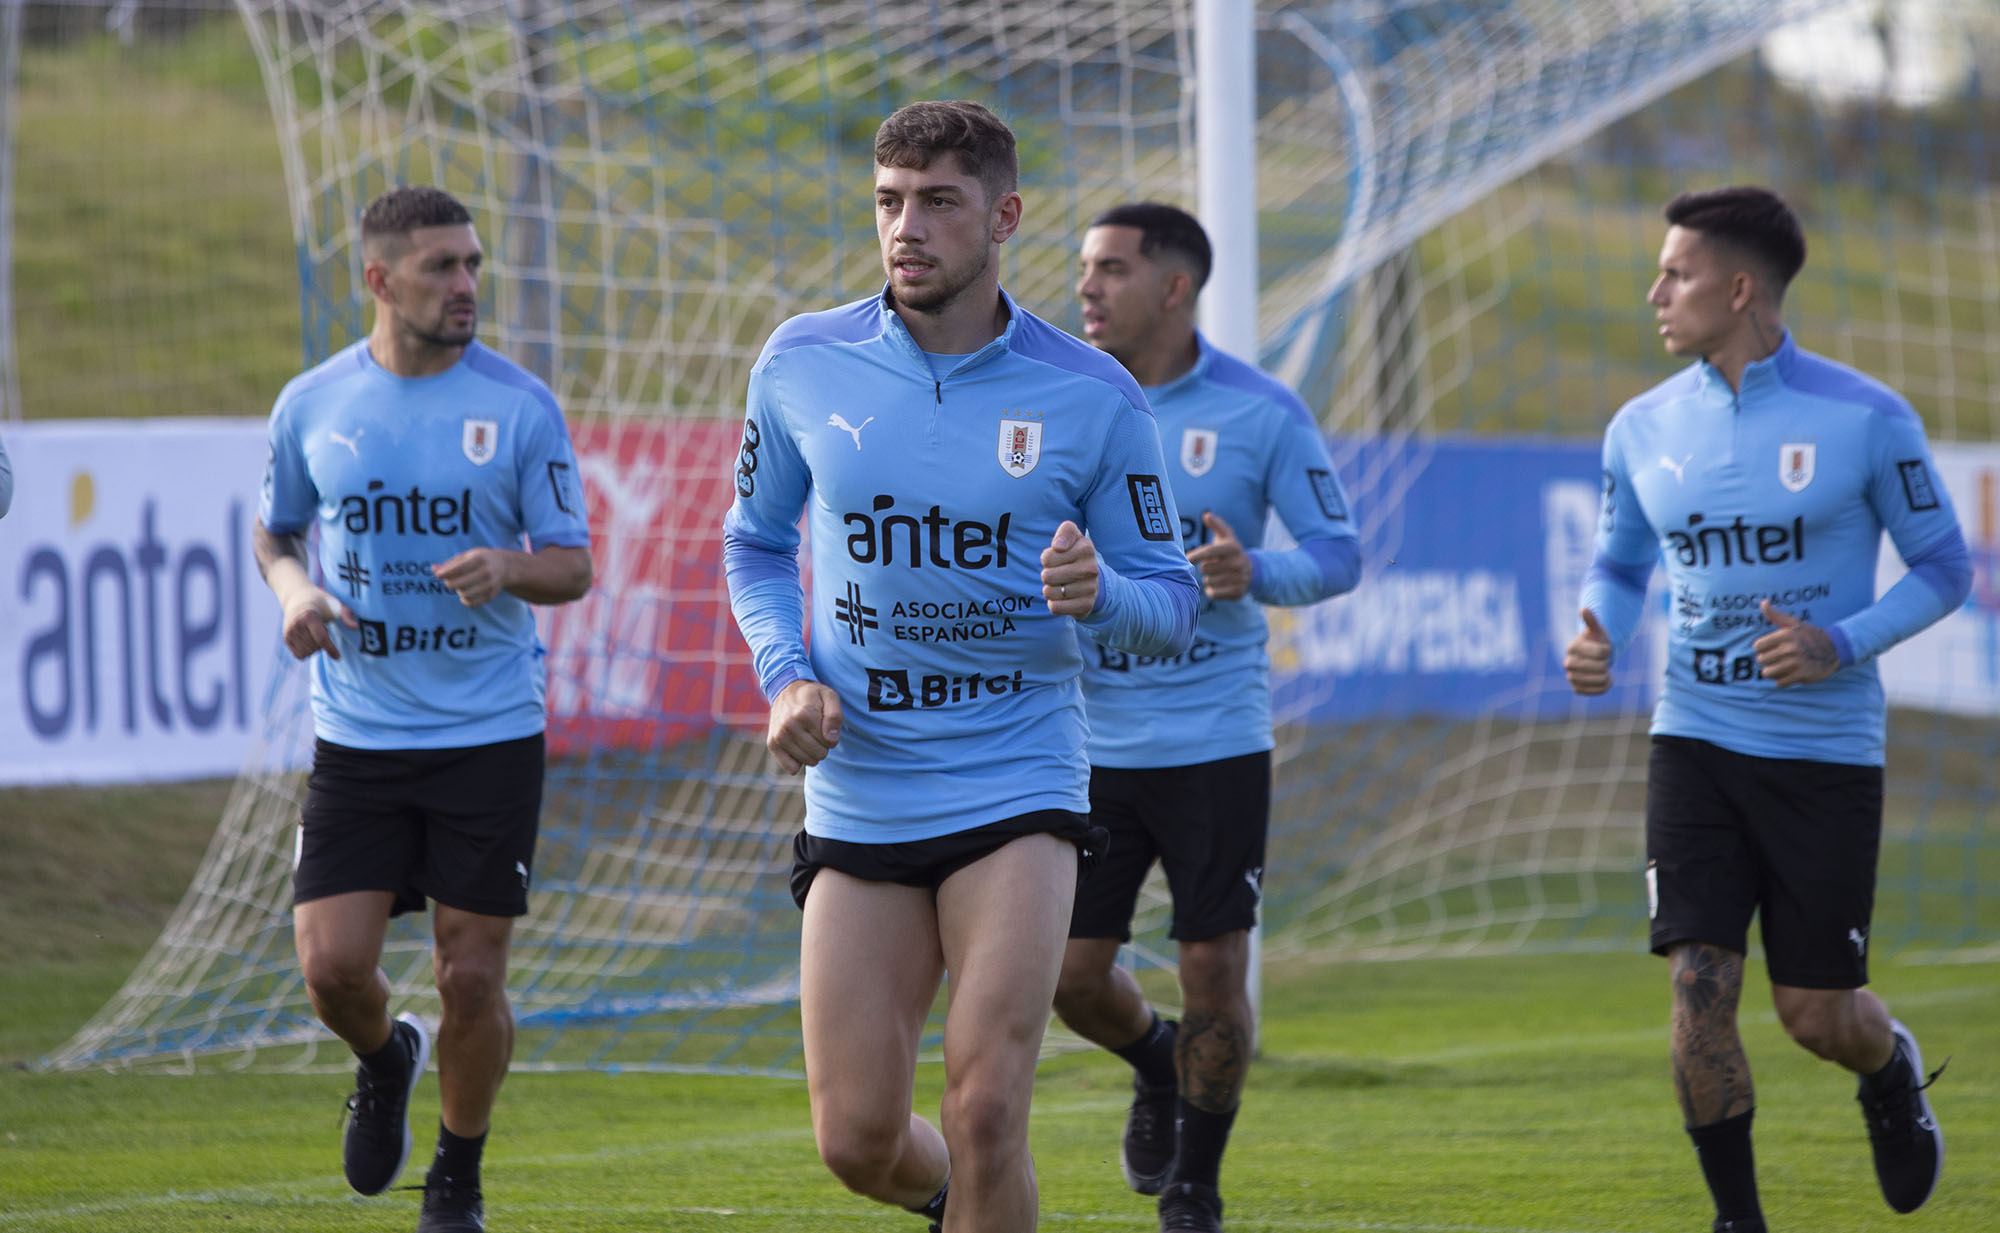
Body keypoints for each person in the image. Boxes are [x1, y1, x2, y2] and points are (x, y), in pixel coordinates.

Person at [722, 101, 1200, 1233]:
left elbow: (1172, 607)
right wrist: (786, 674)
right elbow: (753, 542)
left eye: (939, 201)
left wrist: (1102, 594)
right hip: (862, 787)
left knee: (985, 1110)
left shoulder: (1093, 394)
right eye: (890, 201)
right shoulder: (801, 362)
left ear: (1003, 217)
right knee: (856, 1142)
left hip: (1016, 782)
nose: (908, 227)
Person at [1566, 186, 1967, 1233]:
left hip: (1824, 753)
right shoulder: (1640, 427)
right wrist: (1602, 630)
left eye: (1676, 273)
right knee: (1697, 988)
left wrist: (1839, 642)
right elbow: (1619, 563)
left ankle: (1887, 1068)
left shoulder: (1866, 418)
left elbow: (1944, 569)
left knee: (1814, 1015)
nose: (1655, 292)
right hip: (1693, 738)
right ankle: (1736, 1221)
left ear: (1739, 288)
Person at [255, 185, 593, 1233]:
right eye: (442, 266)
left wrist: (508, 565)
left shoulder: (520, 408)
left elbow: (573, 564)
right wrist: (296, 593)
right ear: (379, 279)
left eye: (473, 264)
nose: (466, 284)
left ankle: (456, 1176)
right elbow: (275, 532)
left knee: (470, 973)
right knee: (332, 969)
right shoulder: (312, 404)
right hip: (358, 734)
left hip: (488, 733)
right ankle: (384, 1054)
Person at [1056, 203, 1362, 1233]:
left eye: (1110, 268)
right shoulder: (1060, 399)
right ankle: (1155, 1062)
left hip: (1214, 740)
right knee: (1069, 978)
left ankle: (1195, 1183)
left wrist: (1251, 570)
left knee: (1211, 965)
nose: (1087, 286)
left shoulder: (1260, 411)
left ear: (1173, 286)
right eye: (1085, 267)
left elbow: (1337, 554)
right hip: (1086, 742)